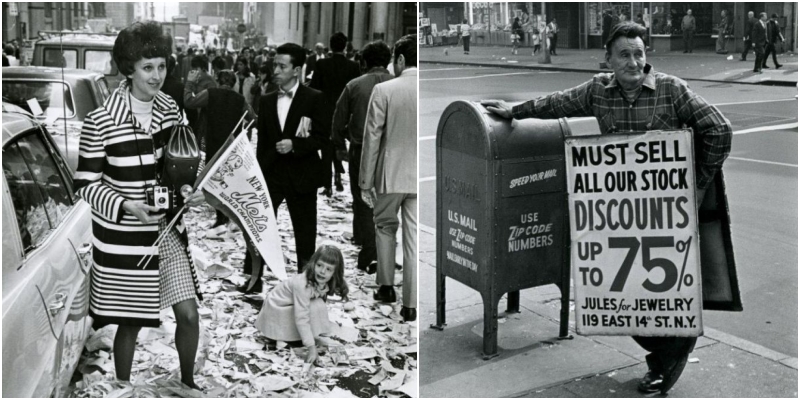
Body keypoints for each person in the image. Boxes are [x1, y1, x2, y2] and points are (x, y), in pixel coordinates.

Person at [482, 22, 732, 395]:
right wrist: (513, 111)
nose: (634, 62)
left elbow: (719, 129)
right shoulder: (599, 91)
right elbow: (556, 104)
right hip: (620, 215)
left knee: (667, 294)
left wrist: (695, 186)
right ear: (608, 60)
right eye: (625, 55)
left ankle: (665, 362)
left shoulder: (671, 89)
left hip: (667, 215)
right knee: (626, 298)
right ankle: (665, 354)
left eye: (639, 53)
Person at [73, 20, 207, 392]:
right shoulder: (101, 121)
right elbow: (84, 185)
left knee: (189, 315)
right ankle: (121, 385)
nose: (157, 75)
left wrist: (188, 188)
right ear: (129, 68)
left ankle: (187, 381)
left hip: (167, 229)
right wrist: (127, 206)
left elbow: (185, 161)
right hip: (126, 238)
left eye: (162, 65)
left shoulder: (172, 111)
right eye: (148, 67)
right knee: (131, 322)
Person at [246, 43, 327, 293]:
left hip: (302, 176)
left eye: (282, 66)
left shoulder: (314, 98)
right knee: (258, 226)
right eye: (275, 65)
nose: (276, 70)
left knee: (305, 232)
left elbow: (324, 138)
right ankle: (254, 278)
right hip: (272, 174)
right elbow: (263, 142)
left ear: (297, 70)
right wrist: (258, 174)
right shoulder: (268, 99)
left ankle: (308, 285)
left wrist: (296, 145)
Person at [360, 35, 418, 322]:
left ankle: (386, 287)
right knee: (413, 239)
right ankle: (411, 305)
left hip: (390, 173)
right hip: (418, 175)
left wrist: (365, 181)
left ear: (401, 59)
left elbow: (372, 138)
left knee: (384, 227)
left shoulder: (384, 90)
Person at [332, 41, 393, 272]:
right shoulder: (399, 84)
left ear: (364, 62)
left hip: (361, 150)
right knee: (388, 201)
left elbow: (338, 121)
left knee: (363, 200)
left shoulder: (354, 85)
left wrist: (339, 146)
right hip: (393, 152)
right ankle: (377, 247)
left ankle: (369, 250)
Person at [184, 69, 256, 227]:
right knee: (228, 179)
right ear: (234, 82)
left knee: (213, 179)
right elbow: (252, 118)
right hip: (231, 144)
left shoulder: (210, 93)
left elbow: (189, 102)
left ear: (217, 80)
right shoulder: (240, 99)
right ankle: (227, 214)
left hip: (213, 141)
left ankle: (221, 216)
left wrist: (189, 84)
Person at [254, 245, 349, 364]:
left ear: (335, 272)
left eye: (329, 269)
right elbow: (301, 317)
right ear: (313, 263)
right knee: (314, 307)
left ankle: (294, 336)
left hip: (285, 307)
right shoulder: (302, 284)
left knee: (318, 305)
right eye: (319, 265)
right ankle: (283, 337)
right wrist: (311, 347)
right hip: (276, 310)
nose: (322, 271)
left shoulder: (323, 281)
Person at [310, 32, 361, 196]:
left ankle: (327, 184)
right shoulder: (353, 67)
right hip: (345, 113)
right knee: (339, 144)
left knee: (326, 148)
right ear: (345, 47)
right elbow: (356, 91)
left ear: (330, 46)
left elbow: (314, 89)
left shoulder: (322, 65)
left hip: (325, 112)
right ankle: (338, 174)